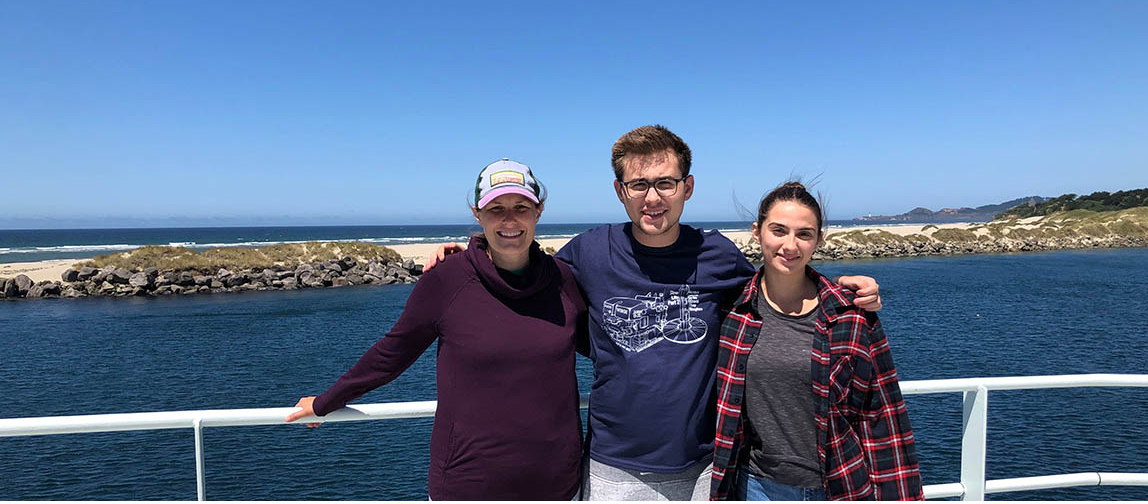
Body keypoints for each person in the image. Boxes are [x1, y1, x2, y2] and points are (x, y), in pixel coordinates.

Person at [427, 125, 883, 500]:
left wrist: (840, 293)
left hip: (707, 464)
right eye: (639, 185)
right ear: (619, 191)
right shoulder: (589, 251)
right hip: (614, 467)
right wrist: (468, 257)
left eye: (665, 183)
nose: (652, 198)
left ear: (687, 187)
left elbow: (775, 287)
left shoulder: (717, 254)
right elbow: (523, 278)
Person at [286, 159, 588, 500]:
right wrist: (327, 401)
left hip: (558, 486)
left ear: (539, 211)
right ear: (477, 214)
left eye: (521, 207)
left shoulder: (561, 279)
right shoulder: (447, 280)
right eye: (495, 209)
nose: (509, 220)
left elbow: (607, 347)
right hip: (467, 486)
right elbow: (392, 354)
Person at [709, 182, 922, 500]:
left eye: (804, 234)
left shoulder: (851, 314)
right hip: (754, 486)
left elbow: (880, 414)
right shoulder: (731, 309)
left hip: (839, 485)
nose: (790, 245)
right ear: (757, 232)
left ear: (819, 240)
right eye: (778, 230)